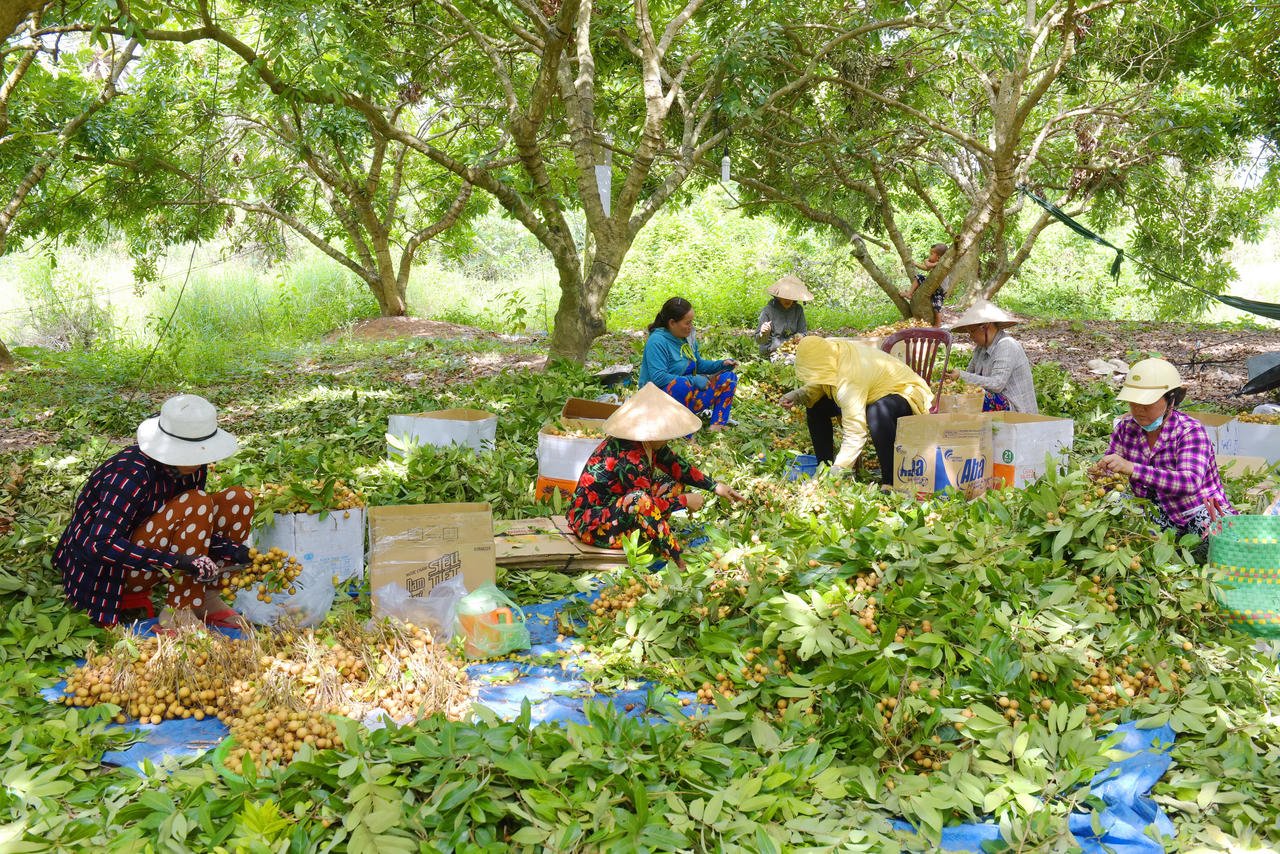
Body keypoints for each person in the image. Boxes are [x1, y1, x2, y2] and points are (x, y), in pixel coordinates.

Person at [55, 394, 254, 628]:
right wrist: (177, 561)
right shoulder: (131, 473)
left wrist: (235, 552)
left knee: (239, 498)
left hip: (158, 552)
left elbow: (194, 530)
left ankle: (207, 598)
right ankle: (179, 610)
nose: (201, 459)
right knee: (196, 501)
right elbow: (101, 545)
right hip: (111, 569)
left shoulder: (193, 468)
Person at [567, 383, 746, 569]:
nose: (669, 438)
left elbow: (677, 467)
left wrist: (715, 486)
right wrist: (684, 502)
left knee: (672, 484)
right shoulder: (631, 456)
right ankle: (673, 556)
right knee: (640, 500)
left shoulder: (647, 443)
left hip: (617, 507)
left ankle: (651, 534)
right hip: (594, 525)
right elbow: (643, 503)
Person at [1093, 358, 1235, 541]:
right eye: (1133, 402)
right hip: (1153, 512)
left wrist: (1133, 468)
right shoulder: (1125, 429)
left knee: (1215, 538)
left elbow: (1189, 482)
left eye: (1147, 403)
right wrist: (1100, 477)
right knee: (1109, 507)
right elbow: (1111, 474)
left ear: (1171, 400)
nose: (1138, 409)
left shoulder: (1190, 431)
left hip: (1195, 510)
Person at [780, 336, 933, 483]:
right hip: (870, 390)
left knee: (877, 414)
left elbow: (855, 432)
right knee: (816, 406)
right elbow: (824, 377)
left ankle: (891, 480)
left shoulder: (850, 378)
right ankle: (824, 467)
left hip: (905, 391)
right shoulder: (831, 350)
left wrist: (841, 467)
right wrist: (800, 394)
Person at [637, 297, 739, 431]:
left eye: (692, 322)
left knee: (729, 378)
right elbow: (658, 378)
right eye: (688, 323)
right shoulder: (657, 341)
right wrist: (692, 380)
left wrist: (721, 365)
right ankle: (684, 432)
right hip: (659, 403)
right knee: (682, 385)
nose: (691, 327)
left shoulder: (687, 338)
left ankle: (717, 426)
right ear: (672, 323)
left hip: (687, 398)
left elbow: (699, 365)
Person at [944, 300, 1038, 413]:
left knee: (978, 399)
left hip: (1016, 409)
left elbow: (997, 384)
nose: (971, 336)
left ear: (986, 326)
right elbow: (969, 375)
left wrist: (961, 375)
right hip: (995, 401)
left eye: (972, 331)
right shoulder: (981, 348)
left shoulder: (1007, 345)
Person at [755, 275, 812, 357]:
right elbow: (759, 340)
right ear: (777, 297)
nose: (787, 300)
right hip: (772, 350)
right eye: (784, 296)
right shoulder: (768, 310)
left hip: (792, 349)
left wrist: (800, 336)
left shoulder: (798, 310)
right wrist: (764, 332)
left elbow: (803, 332)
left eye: (790, 297)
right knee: (789, 362)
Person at [907, 243, 949, 325]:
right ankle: (909, 293)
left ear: (938, 257)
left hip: (940, 290)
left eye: (931, 254)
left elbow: (928, 265)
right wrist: (916, 264)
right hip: (933, 285)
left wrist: (926, 261)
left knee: (937, 308)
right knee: (918, 277)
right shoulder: (935, 263)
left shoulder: (940, 263)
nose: (929, 256)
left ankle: (937, 325)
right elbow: (926, 268)